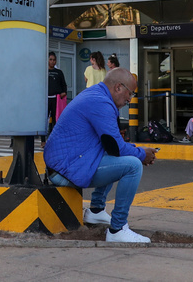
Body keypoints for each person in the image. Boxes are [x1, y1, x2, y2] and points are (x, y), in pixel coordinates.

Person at [43, 68, 158, 244]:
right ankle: (117, 229)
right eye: (130, 93)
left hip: (66, 164)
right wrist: (142, 153)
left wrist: (139, 150)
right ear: (118, 87)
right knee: (133, 166)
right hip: (64, 170)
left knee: (115, 155)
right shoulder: (101, 103)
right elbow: (118, 147)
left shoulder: (97, 95)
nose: (129, 99)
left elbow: (112, 145)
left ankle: (96, 211)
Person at [47, 52, 68, 135]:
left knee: (55, 119)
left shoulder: (59, 72)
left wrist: (64, 92)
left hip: (56, 99)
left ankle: (54, 137)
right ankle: (43, 140)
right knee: (44, 120)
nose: (52, 61)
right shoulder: (44, 71)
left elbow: (63, 84)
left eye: (54, 60)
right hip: (46, 99)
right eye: (50, 59)